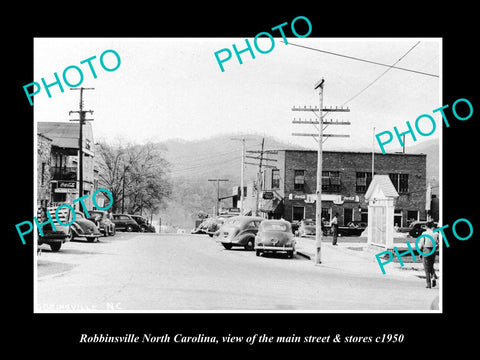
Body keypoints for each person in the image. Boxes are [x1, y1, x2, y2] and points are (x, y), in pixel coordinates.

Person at [418, 221, 439, 288]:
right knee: (431, 265)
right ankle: (433, 276)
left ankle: (428, 284)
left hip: (426, 250)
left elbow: (421, 244)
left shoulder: (424, 233)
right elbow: (438, 243)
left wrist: (420, 251)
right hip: (433, 250)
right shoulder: (436, 233)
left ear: (427, 226)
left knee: (426, 267)